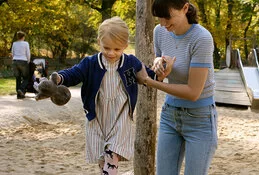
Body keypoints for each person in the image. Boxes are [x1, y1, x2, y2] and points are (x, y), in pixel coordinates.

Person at [47, 17, 173, 175]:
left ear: (125, 46)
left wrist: (161, 73)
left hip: (120, 119)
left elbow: (149, 76)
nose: (111, 53)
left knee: (111, 159)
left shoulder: (131, 63)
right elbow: (73, 74)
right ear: (99, 41)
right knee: (103, 164)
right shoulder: (90, 63)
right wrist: (58, 78)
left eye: (117, 49)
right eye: (106, 48)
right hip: (97, 119)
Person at [137, 0, 218, 174]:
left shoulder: (201, 38)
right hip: (170, 116)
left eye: (168, 17)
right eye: (159, 18)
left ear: (185, 8)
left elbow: (193, 92)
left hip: (200, 119)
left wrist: (150, 82)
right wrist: (160, 65)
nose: (163, 24)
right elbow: (160, 71)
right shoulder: (159, 32)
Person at [11, 31, 31, 99]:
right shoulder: (26, 43)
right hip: (23, 61)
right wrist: (28, 61)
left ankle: (19, 94)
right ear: (23, 37)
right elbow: (28, 53)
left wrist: (14, 60)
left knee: (18, 78)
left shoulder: (14, 43)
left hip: (15, 61)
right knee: (26, 77)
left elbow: (12, 53)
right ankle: (21, 89)